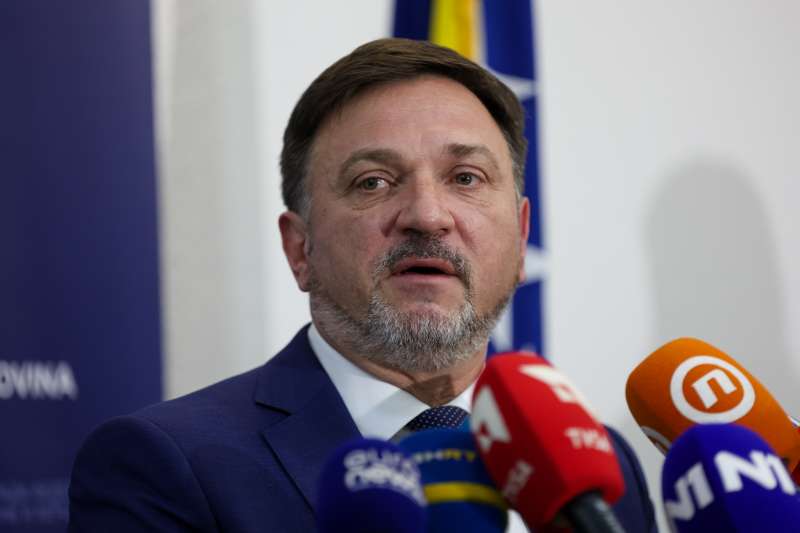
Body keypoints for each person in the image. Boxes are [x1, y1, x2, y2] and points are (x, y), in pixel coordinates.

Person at [68, 38, 656, 532]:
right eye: (373, 182)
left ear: (522, 238)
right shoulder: (164, 465)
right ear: (300, 248)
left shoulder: (601, 470)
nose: (427, 215)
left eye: (465, 177)